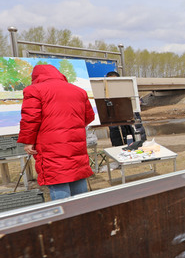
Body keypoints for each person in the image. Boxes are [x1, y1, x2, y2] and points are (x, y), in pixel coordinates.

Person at [17, 64, 96, 200]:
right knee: (77, 175)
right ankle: (84, 216)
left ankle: (64, 219)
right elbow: (89, 116)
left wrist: (28, 141)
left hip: (49, 145)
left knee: (57, 178)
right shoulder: (79, 90)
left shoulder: (34, 90)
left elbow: (31, 119)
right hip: (75, 143)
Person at [104, 71, 137, 146]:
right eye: (109, 81)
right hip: (112, 117)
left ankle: (132, 146)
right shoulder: (104, 93)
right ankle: (117, 147)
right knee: (113, 129)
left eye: (113, 81)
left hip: (126, 118)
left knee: (128, 130)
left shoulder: (126, 89)